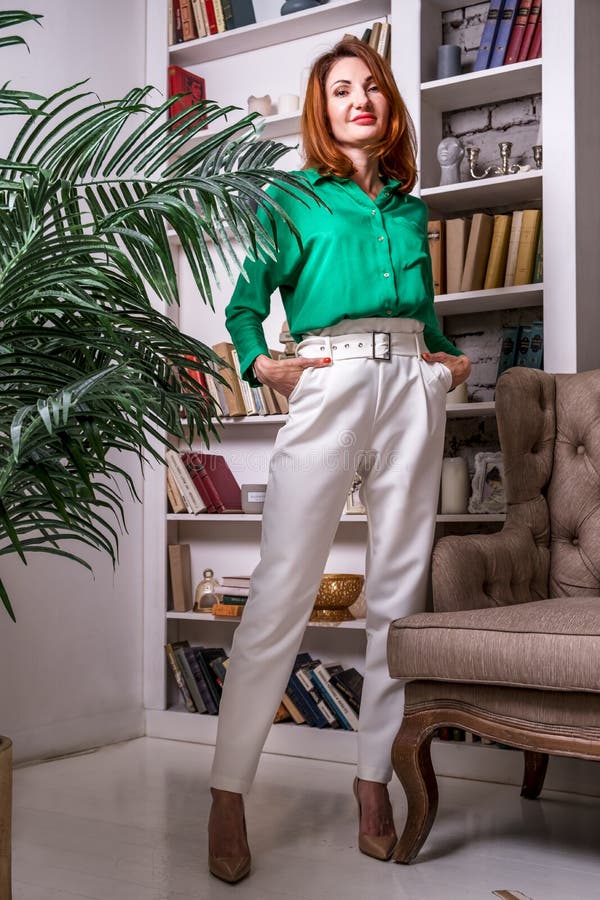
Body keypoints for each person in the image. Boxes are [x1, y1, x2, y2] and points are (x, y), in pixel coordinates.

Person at [208, 38, 471, 884]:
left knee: (398, 596)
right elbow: (246, 305)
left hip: (413, 390)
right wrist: (263, 364)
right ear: (320, 111)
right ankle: (226, 791)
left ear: (390, 105)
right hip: (330, 379)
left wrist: (448, 359)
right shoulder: (290, 198)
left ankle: (371, 783)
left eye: (371, 89)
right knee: (282, 588)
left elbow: (425, 315)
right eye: (340, 91)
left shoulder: (409, 208)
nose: (359, 100)